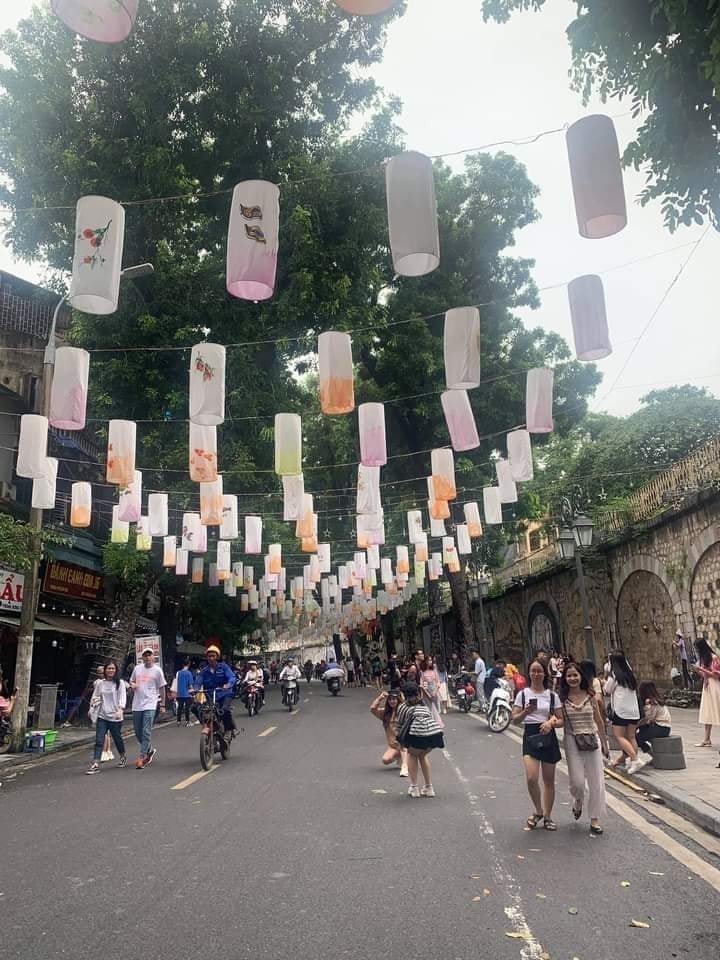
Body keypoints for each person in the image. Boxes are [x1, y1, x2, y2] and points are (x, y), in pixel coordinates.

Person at [512, 658, 563, 831]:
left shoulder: (552, 696)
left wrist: (551, 723)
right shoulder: (523, 694)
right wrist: (526, 711)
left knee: (549, 780)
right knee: (532, 778)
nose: (536, 674)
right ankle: (538, 810)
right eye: (533, 671)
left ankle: (548, 816)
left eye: (539, 671)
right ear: (529, 673)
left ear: (545, 673)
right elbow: (515, 720)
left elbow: (561, 720)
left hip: (547, 735)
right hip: (530, 735)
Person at [557, 661, 608, 835]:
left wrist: (605, 743)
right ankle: (577, 800)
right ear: (565, 678)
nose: (572, 678)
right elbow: (558, 719)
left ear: (581, 676)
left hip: (592, 739)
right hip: (572, 741)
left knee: (596, 782)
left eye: (575, 675)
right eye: (569, 676)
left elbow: (599, 721)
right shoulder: (562, 699)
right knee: (577, 782)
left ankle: (594, 818)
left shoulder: (590, 695)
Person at [396, 680, 444, 797]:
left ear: (403, 695)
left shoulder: (403, 707)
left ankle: (414, 788)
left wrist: (400, 742)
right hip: (433, 736)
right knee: (423, 756)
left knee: (412, 755)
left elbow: (400, 724)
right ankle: (429, 787)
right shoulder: (424, 706)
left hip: (417, 736)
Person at [86, 661, 127, 775]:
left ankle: (122, 756)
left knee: (117, 738)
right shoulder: (100, 683)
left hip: (115, 716)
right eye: (109, 668)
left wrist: (120, 709)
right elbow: (95, 697)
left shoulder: (120, 683)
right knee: (99, 740)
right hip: (102, 716)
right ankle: (95, 764)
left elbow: (122, 697)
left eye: (113, 668)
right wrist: (91, 709)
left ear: (116, 670)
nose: (111, 670)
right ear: (105, 670)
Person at [129, 648, 166, 769]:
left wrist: (162, 704)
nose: (147, 657)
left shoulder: (157, 670)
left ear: (153, 657)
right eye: (145, 655)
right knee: (138, 731)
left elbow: (162, 688)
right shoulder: (137, 668)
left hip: (150, 703)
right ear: (142, 657)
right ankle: (149, 749)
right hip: (137, 704)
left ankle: (142, 757)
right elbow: (131, 681)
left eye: (149, 655)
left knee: (146, 731)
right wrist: (132, 685)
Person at [603, 653, 640, 770]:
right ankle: (632, 761)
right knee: (631, 737)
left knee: (619, 736)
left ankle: (634, 759)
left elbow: (607, 690)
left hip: (621, 711)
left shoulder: (614, 676)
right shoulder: (630, 675)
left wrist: (605, 681)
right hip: (634, 711)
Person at [198, 645, 237, 735]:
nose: (211, 658)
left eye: (213, 656)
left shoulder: (224, 667)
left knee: (224, 710)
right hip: (210, 696)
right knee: (197, 708)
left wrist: (228, 684)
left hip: (225, 694)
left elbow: (232, 677)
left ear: (217, 657)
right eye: (209, 656)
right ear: (207, 658)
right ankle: (209, 725)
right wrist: (194, 689)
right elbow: (198, 681)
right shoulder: (204, 671)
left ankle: (229, 729)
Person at [369, 689, 408, 776]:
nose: (392, 701)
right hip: (393, 745)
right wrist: (380, 697)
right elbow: (372, 709)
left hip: (405, 743)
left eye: (394, 699)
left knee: (403, 746)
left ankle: (405, 766)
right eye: (390, 699)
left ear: (398, 700)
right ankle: (400, 756)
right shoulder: (385, 713)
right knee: (385, 760)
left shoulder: (403, 711)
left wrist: (403, 698)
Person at [633, 681, 671, 769]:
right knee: (639, 735)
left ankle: (654, 756)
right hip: (663, 727)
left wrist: (636, 726)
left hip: (661, 727)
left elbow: (648, 719)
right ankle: (654, 756)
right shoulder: (657, 699)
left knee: (637, 738)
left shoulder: (651, 702)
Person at [692, 638, 720, 747]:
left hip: (714, 686)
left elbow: (716, 675)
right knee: (707, 712)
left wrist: (701, 669)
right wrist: (698, 671)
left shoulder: (714, 657)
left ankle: (707, 739)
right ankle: (707, 739)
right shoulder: (704, 659)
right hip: (707, 687)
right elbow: (705, 675)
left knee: (717, 709)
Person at [420, 656, 444, 729]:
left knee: (436, 710)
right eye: (428, 660)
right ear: (425, 661)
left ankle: (436, 726)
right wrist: (428, 694)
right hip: (426, 694)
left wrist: (435, 692)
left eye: (431, 660)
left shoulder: (434, 671)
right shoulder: (422, 672)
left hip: (435, 692)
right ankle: (430, 726)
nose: (430, 662)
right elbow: (422, 685)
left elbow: (438, 682)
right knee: (428, 710)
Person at [175, 658, 195, 727]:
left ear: (182, 664)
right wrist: (193, 693)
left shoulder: (178, 673)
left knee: (179, 708)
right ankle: (187, 721)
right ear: (188, 664)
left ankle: (178, 722)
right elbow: (190, 684)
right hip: (187, 693)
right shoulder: (189, 673)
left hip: (179, 693)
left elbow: (176, 682)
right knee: (187, 708)